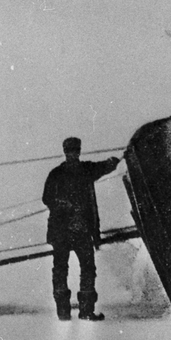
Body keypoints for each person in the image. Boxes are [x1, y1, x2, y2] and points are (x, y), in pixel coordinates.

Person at [42, 137, 121, 321]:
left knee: (67, 269)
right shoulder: (81, 170)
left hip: (65, 231)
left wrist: (114, 161)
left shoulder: (59, 173)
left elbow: (104, 167)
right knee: (82, 268)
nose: (73, 154)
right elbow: (47, 198)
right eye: (71, 151)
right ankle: (83, 311)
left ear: (76, 152)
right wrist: (65, 206)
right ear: (68, 152)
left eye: (75, 151)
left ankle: (66, 312)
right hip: (75, 230)